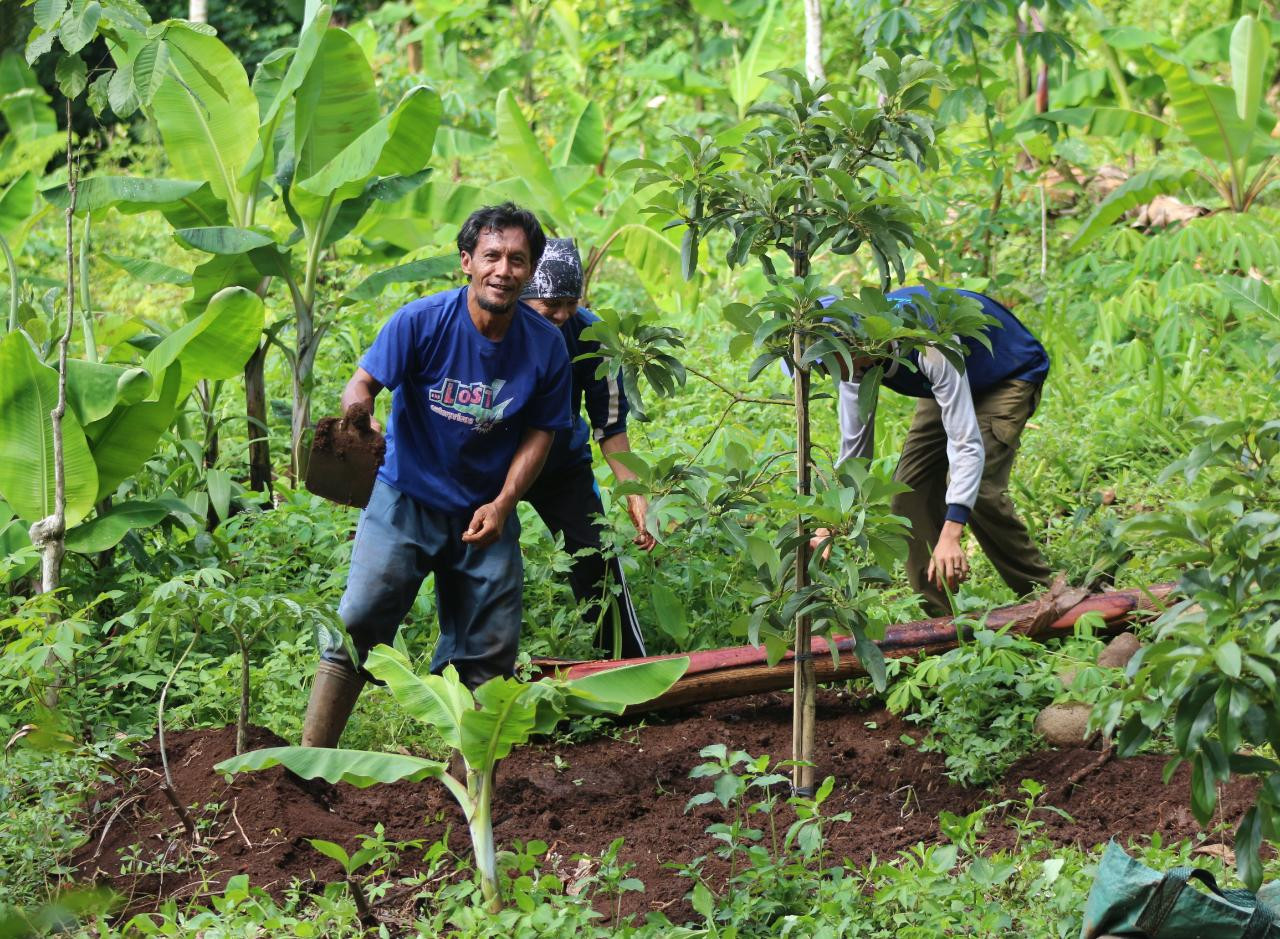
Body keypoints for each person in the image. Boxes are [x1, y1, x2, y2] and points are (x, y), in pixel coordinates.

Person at [300, 203, 572, 748]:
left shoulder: (545, 347)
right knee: (358, 619)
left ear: (530, 268)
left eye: (518, 259)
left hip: (485, 514)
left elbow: (542, 432)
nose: (503, 269)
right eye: (491, 256)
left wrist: (505, 502)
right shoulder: (421, 322)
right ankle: (308, 764)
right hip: (406, 499)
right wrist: (359, 415)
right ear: (467, 262)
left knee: (491, 651)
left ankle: (467, 786)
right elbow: (363, 382)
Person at [821, 285, 1053, 616]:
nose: (829, 372)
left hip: (1007, 373)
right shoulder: (851, 365)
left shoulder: (929, 343)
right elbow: (855, 451)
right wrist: (831, 521)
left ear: (857, 341)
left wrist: (951, 535)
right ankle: (941, 622)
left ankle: (1046, 596)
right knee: (908, 493)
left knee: (981, 492)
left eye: (830, 361)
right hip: (948, 381)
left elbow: (965, 443)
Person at [519, 239, 655, 659]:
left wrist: (634, 491)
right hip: (492, 465)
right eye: (551, 304)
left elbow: (609, 424)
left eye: (570, 303)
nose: (561, 315)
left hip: (561, 467)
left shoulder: (591, 334)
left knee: (596, 557)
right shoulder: (497, 327)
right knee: (487, 568)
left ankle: (627, 663)